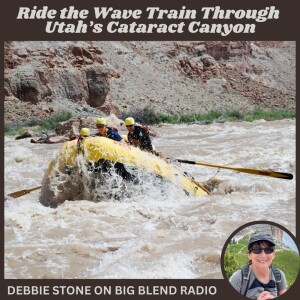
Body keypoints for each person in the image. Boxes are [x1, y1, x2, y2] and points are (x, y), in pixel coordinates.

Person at [229, 233, 288, 299]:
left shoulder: (279, 276)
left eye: (268, 250)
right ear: (249, 255)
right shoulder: (238, 278)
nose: (263, 255)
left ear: (273, 254)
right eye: (257, 250)